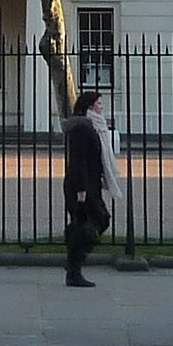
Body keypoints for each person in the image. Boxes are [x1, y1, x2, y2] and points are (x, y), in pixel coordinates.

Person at [63, 87, 113, 286]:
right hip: (82, 186)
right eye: (99, 104)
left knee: (87, 224)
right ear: (89, 107)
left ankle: (73, 264)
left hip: (89, 185)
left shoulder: (92, 127)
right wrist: (81, 191)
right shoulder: (83, 128)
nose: (102, 107)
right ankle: (74, 269)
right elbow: (79, 160)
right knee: (97, 220)